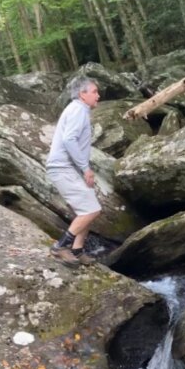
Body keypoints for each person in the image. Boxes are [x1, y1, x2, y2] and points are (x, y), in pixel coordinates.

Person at [46, 76, 102, 266]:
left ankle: (77, 250)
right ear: (82, 94)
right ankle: (60, 247)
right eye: (94, 92)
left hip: (67, 167)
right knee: (91, 209)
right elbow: (69, 140)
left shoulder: (78, 109)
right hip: (62, 168)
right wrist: (86, 169)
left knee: (87, 208)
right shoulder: (78, 110)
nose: (98, 96)